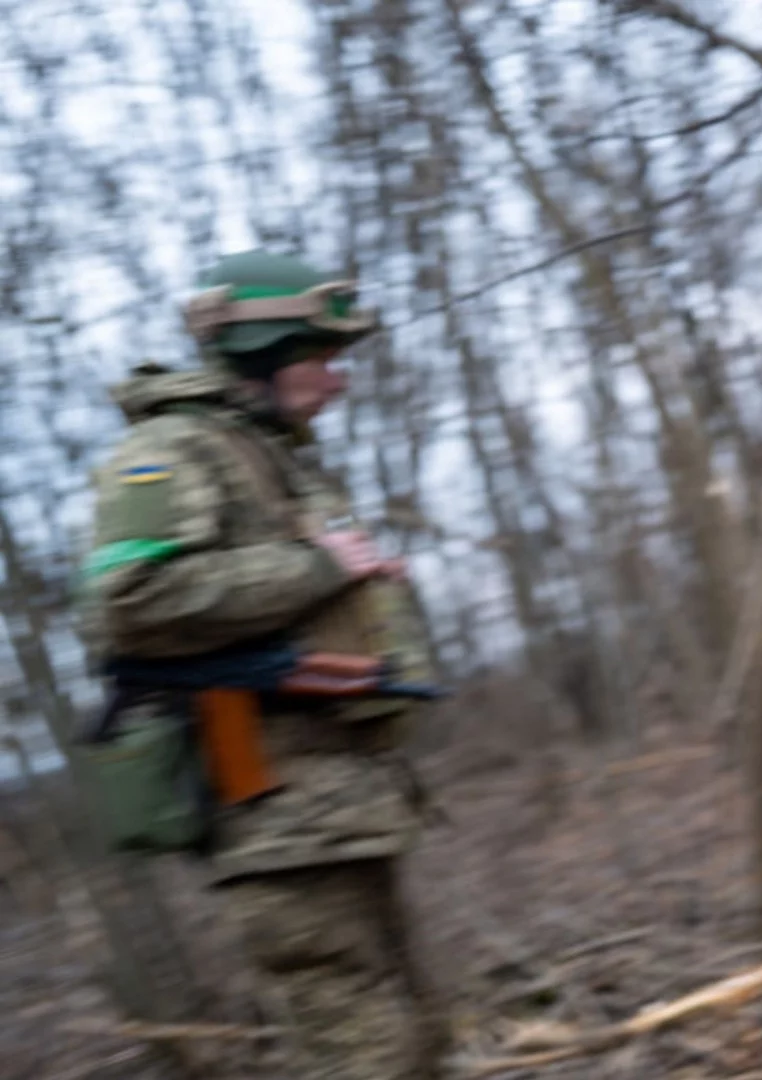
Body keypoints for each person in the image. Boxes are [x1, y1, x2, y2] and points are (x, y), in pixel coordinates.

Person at [79, 250, 442, 1078]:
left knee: (416, 1044)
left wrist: (353, 585)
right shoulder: (173, 450)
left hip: (338, 810)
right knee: (367, 1057)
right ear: (267, 352)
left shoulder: (263, 452)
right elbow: (127, 601)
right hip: (274, 817)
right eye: (324, 357)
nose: (338, 380)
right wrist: (320, 568)